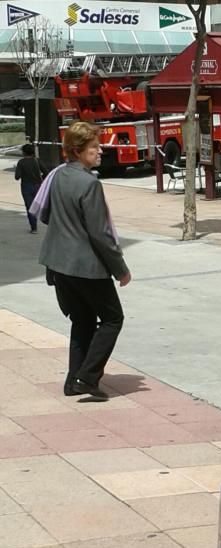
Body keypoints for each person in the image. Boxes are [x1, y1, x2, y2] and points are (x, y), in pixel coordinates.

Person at [37, 121, 131, 400]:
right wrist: (121, 270)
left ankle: (73, 381)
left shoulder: (57, 176)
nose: (100, 151)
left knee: (82, 321)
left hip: (57, 263)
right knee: (113, 318)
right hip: (85, 267)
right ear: (78, 151)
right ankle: (88, 377)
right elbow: (100, 234)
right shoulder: (89, 184)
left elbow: (45, 215)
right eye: (94, 147)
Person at [14, 143, 48, 234]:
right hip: (37, 186)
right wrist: (41, 178)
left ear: (24, 152)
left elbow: (17, 177)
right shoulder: (37, 161)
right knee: (37, 205)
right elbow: (46, 172)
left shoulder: (21, 162)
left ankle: (34, 228)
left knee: (29, 207)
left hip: (26, 186)